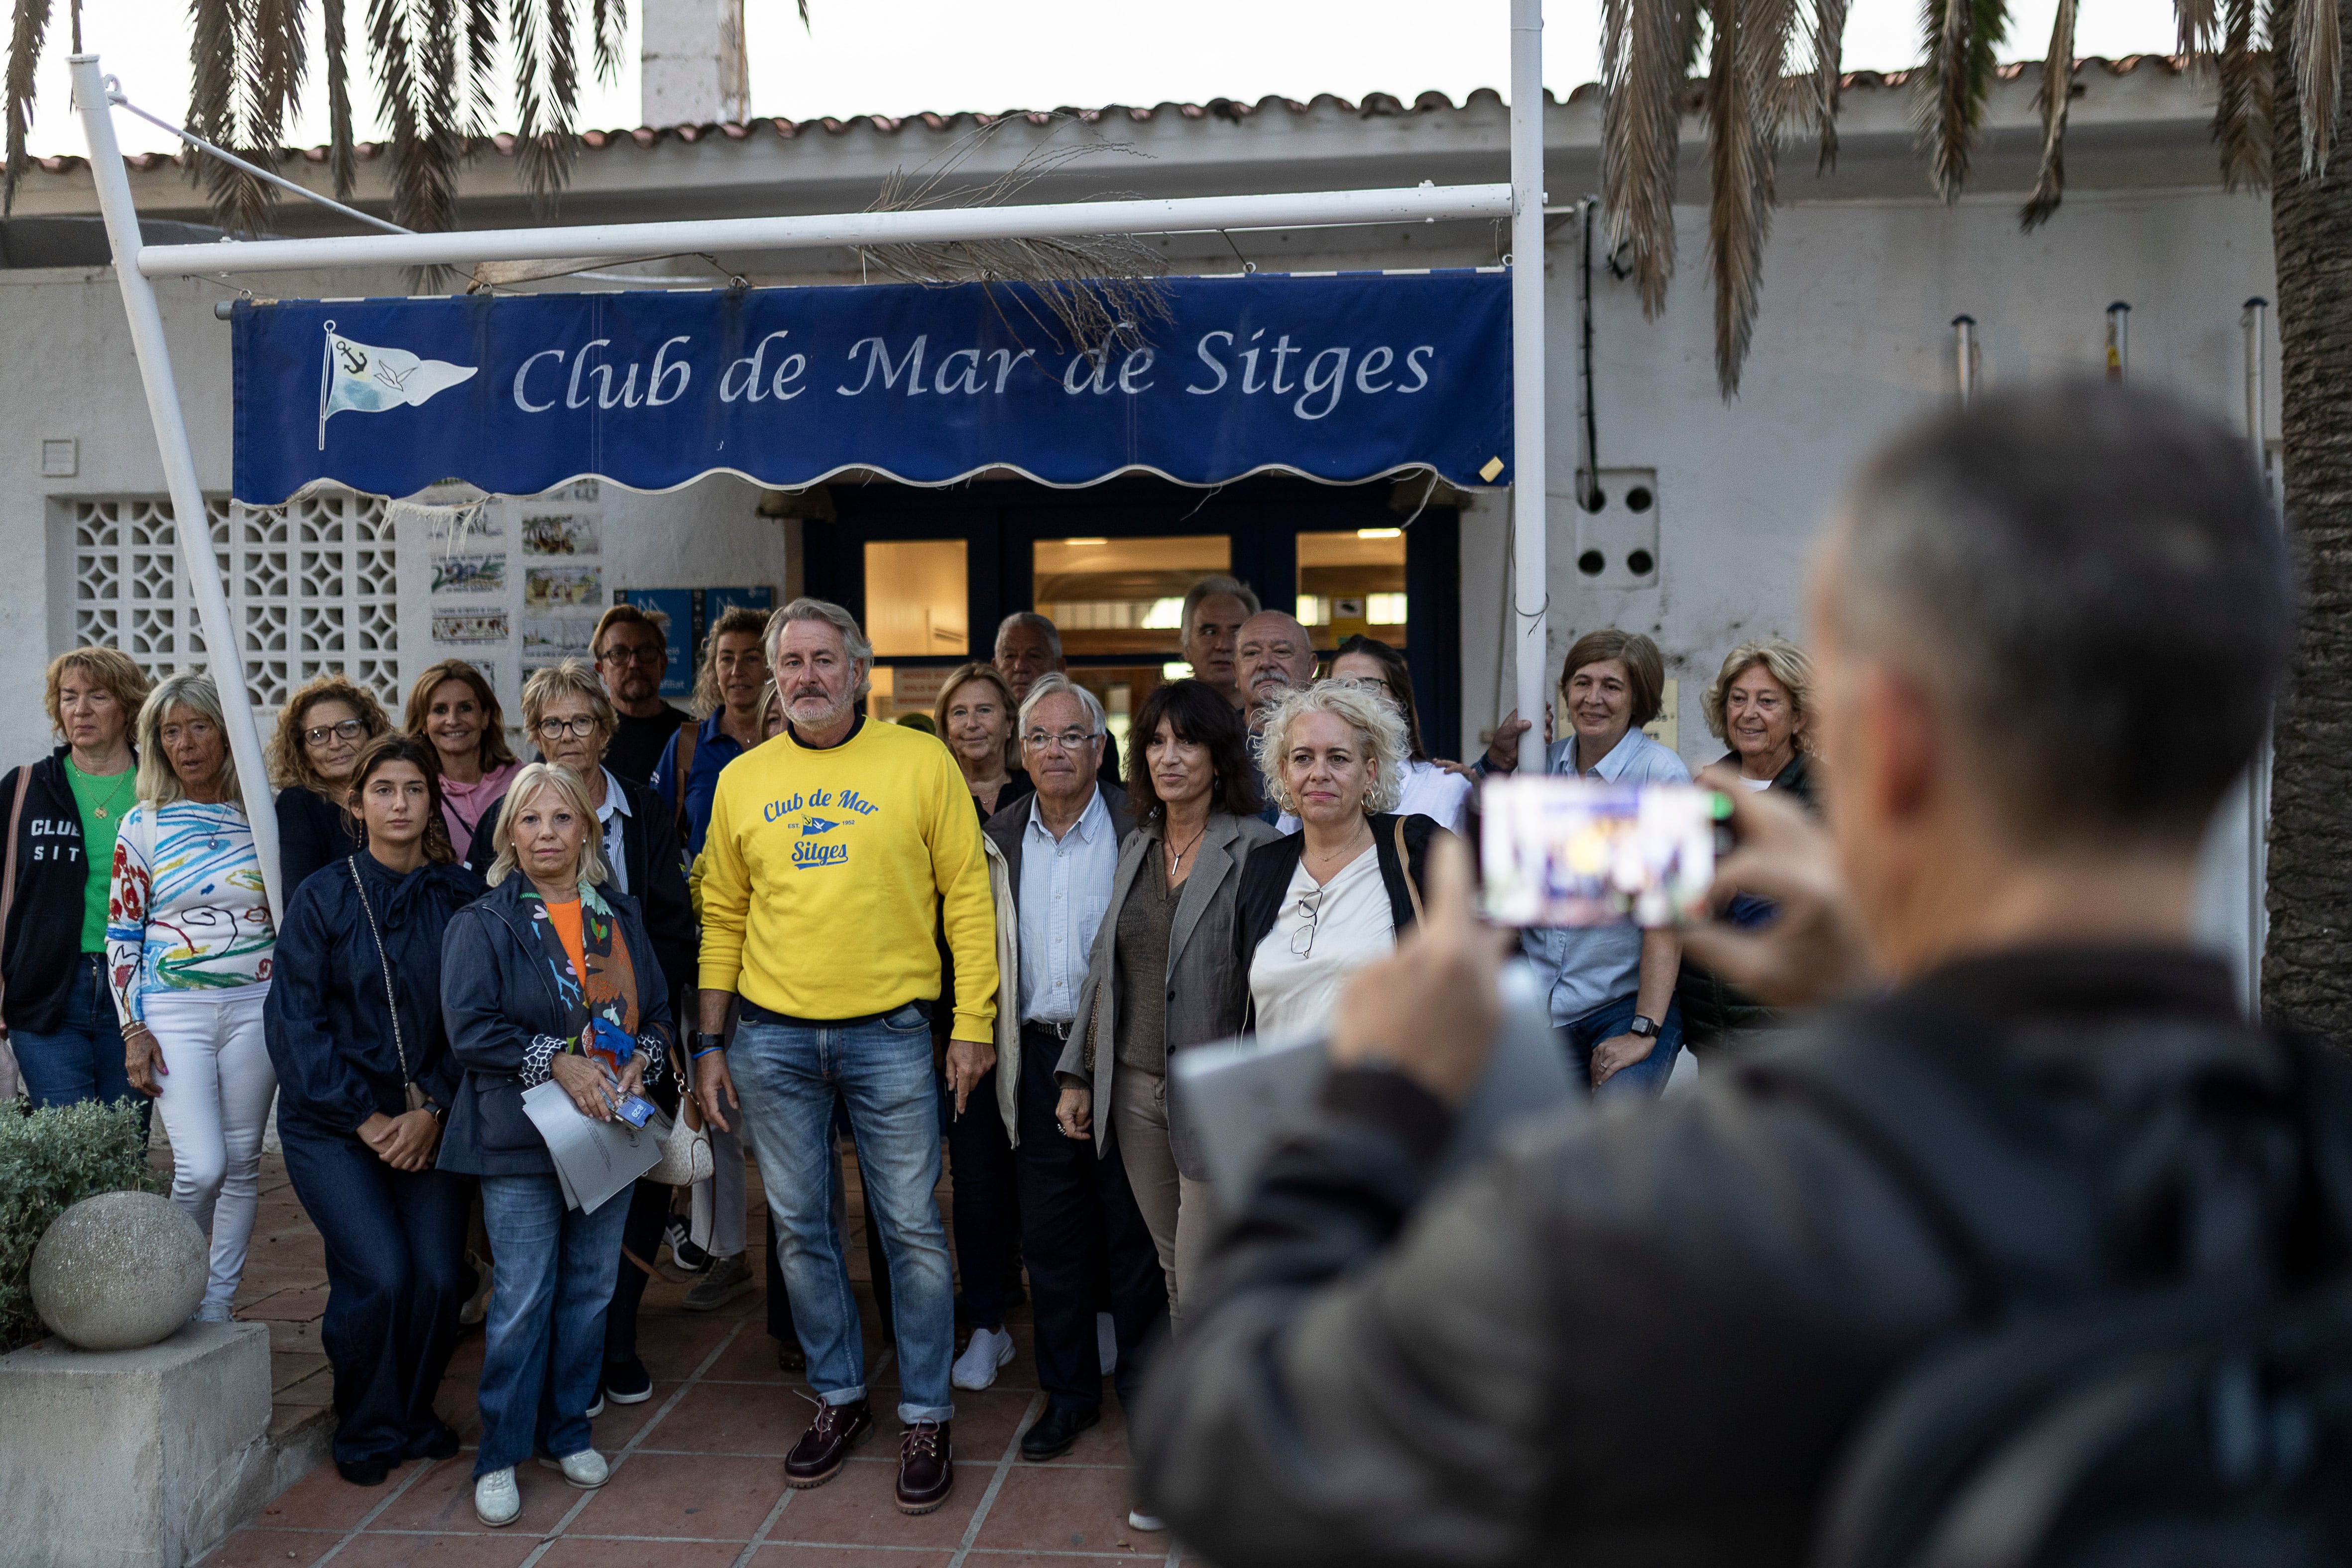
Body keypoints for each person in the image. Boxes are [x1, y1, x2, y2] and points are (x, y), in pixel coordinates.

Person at [1130, 382, 2343, 1566]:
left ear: (1891, 737)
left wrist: (1379, 1101)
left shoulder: (1653, 1206)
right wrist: (1879, 992)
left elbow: (1230, 1442)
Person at [692, 597, 996, 1516]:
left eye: (826, 659)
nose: (807, 676)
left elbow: (966, 897)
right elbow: (723, 915)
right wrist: (709, 1038)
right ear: (771, 677)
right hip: (771, 1035)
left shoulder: (918, 759)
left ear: (858, 672)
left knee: (909, 1224)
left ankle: (925, 1410)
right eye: (792, 662)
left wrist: (972, 1020)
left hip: (890, 1031)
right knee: (800, 1225)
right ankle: (837, 1395)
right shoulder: (742, 778)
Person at [438, 761, 674, 1527]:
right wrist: (557, 1058)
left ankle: (568, 1429)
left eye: (562, 819)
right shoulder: (484, 922)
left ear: (587, 831)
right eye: (530, 819)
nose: (547, 833)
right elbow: (471, 1031)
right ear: (509, 833)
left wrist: (646, 1058)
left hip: (608, 1130)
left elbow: (660, 1015)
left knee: (591, 1291)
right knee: (521, 1298)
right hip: (522, 1138)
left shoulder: (622, 917)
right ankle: (502, 1451)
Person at [465, 661, 698, 1404]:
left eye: (582, 722)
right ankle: (551, 1377)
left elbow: (667, 920)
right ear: (534, 734)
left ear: (606, 729)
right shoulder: (511, 814)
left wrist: (640, 1022)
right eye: (553, 724)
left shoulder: (645, 811)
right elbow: (486, 924)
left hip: (631, 1035)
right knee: (544, 1215)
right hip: (539, 1056)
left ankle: (612, 1343)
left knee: (632, 1189)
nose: (569, 736)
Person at [263, 733, 482, 1486]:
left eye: (414, 789)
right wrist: (367, 1120)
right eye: (383, 790)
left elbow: (479, 1020)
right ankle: (364, 1424)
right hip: (334, 1124)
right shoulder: (323, 897)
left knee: (439, 1279)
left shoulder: (461, 897)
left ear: (432, 802)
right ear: (356, 804)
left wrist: (436, 1112)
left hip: (432, 1120)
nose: (399, 803)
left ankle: (414, 1412)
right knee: (382, 1274)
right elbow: (295, 1028)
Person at [971, 675, 1167, 1462]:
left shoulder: (1140, 826)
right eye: (1042, 738)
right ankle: (1069, 1397)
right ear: (1022, 751)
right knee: (1051, 1238)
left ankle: (1150, 1399)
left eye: (1073, 737)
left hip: (1124, 1052)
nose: (1057, 751)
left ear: (1101, 747)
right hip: (1037, 1052)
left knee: (1134, 1231)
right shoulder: (1000, 835)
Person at [1055, 679, 1274, 1327]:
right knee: (1174, 1265)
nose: (1170, 757)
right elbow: (1104, 968)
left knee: (1208, 1270)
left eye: (1188, 741)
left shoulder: (1256, 848)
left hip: (1214, 1093)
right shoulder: (1137, 844)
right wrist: (1076, 1073)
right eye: (1156, 742)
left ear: (1219, 756)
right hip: (1132, 1090)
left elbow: (1271, 984)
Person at [107, 671, 277, 1322]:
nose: (186, 742)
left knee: (240, 1164)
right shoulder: (141, 823)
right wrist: (133, 1027)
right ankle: (162, 1292)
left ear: (225, 733)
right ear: (156, 742)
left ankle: (214, 1307)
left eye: (199, 726)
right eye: (171, 731)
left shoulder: (259, 816)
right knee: (201, 1165)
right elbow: (121, 932)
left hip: (255, 1007)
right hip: (173, 1007)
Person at [1482, 629, 1690, 1101]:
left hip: (1623, 1004)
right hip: (1542, 1007)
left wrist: (1643, 1030)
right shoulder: (1539, 766)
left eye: (1612, 686)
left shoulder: (1661, 776)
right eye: (1582, 682)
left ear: (1639, 697)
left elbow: (1668, 915)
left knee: (1617, 1137)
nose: (1593, 698)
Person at [1238, 682, 1449, 1038]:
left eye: (1337, 758)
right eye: (1303, 757)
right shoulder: (1263, 867)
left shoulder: (1417, 848)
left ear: (1369, 772)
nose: (1319, 773)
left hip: (1383, 1090)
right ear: (1285, 772)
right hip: (1280, 1091)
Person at [2, 648, 150, 1109]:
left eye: (98, 696)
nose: (80, 710)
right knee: (72, 1141)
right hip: (46, 990)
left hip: (139, 993)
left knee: (124, 1143)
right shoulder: (26, 786)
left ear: (127, 706)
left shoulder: (159, 789)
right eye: (69, 697)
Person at [1678, 637, 1822, 1048]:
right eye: (1738, 699)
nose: (1749, 713)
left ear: (1799, 718)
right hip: (1709, 1021)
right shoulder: (1704, 786)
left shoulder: (1828, 794)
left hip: (1790, 1021)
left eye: (1767, 701)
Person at [650, 604, 769, 854]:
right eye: (727, 659)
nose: (737, 671)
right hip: (704, 892)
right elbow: (656, 834)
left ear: (772, 667)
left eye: (751, 658)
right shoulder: (687, 744)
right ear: (714, 669)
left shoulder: (790, 740)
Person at [1325, 634, 1471, 835]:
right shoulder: (1311, 786)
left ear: (1399, 699)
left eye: (1368, 686)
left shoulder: (1447, 788)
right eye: (1340, 689)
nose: (1352, 699)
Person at [269, 674, 392, 894]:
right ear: (303, 753)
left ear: (371, 734)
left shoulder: (399, 794)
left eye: (348, 728)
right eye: (318, 735)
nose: (336, 744)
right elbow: (305, 895)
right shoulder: (297, 805)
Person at [404, 660, 520, 864]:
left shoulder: (522, 781)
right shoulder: (413, 790)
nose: (453, 720)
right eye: (440, 710)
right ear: (423, 723)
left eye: (465, 708)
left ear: (485, 717)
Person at [995, 611, 1120, 787]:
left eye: (1034, 656)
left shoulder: (1090, 737)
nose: (1019, 666)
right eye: (1010, 656)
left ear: (1059, 667)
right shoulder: (983, 735)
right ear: (995, 667)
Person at [592, 604, 692, 789]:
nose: (634, 664)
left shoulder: (693, 735)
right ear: (602, 670)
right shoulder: (582, 734)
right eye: (619, 654)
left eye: (646, 651)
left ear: (662, 665)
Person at [1235, 609, 1317, 823]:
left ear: (1311, 667)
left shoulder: (1334, 739)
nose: (1265, 663)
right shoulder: (1214, 745)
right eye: (1252, 653)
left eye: (1281, 651)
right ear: (1236, 672)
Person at [934, 661, 1032, 821]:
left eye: (984, 710)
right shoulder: (934, 794)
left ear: (1009, 723)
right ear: (947, 729)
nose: (972, 724)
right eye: (959, 713)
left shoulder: (1036, 791)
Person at [1177, 576, 1259, 711]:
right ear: (1186, 648)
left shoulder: (1280, 724)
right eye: (1210, 632)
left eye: (1236, 633)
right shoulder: (1169, 722)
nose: (1223, 646)